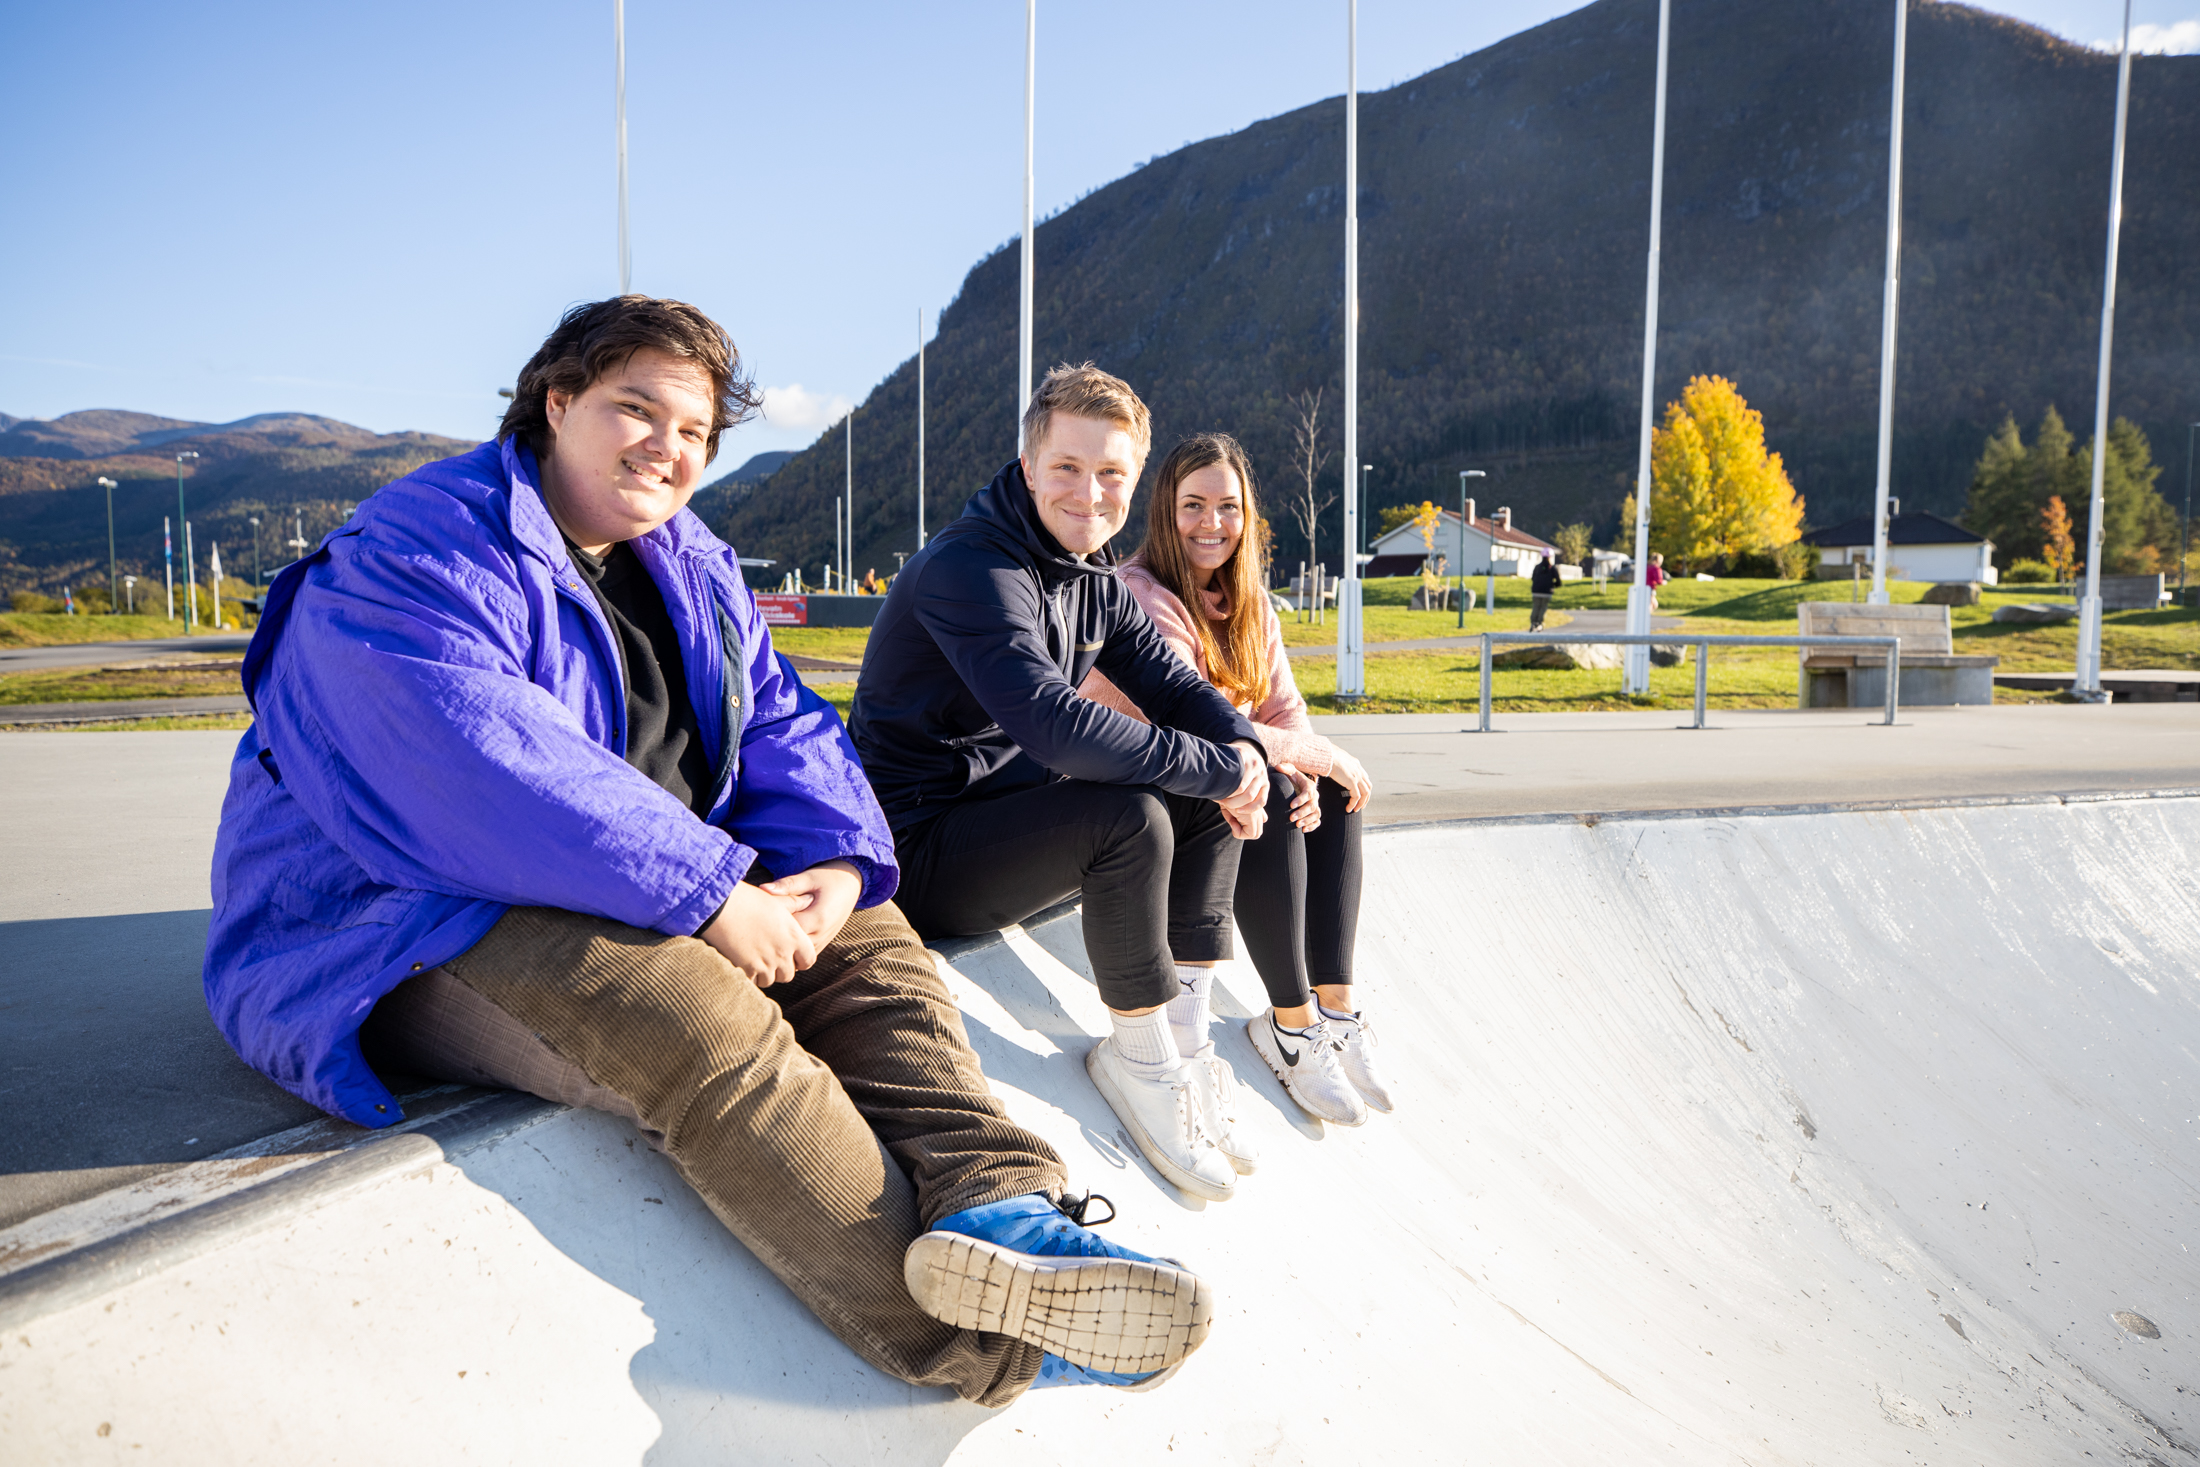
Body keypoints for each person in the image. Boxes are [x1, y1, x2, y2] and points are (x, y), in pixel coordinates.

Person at [202, 299, 1214, 1404]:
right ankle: (986, 1349)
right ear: (555, 403)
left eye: (694, 433)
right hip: (403, 917)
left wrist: (830, 862)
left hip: (645, 880)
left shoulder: (687, 560)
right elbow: (480, 764)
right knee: (704, 1027)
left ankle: (1003, 1208)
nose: (667, 448)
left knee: (876, 952)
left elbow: (783, 722)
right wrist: (711, 891)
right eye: (635, 409)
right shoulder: (422, 548)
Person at [852, 364, 1273, 1207]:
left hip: (996, 815)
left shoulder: (1086, 571)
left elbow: (1174, 685)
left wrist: (1245, 750)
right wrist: (1223, 764)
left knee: (1202, 792)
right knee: (1130, 816)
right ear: (1028, 463)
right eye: (1069, 469)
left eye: (1112, 473)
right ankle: (1138, 1053)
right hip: (918, 848)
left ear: (1135, 479)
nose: (1091, 493)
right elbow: (1056, 724)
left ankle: (1184, 1037)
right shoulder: (972, 567)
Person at [1080, 434, 1392, 1131]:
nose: (1211, 523)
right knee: (1274, 788)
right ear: (1166, 511)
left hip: (1218, 770)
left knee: (1332, 789)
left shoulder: (1252, 603)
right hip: (1145, 788)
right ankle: (1290, 1021)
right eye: (1193, 506)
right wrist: (1299, 763)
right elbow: (1201, 719)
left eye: (1227, 507)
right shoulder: (1144, 594)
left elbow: (1281, 710)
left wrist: (1312, 763)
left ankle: (1335, 1008)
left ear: (1248, 516)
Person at [1529, 550, 1561, 630]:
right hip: (1546, 592)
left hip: (1536, 591)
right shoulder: (1552, 568)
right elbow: (1558, 581)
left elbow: (1533, 578)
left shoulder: (1537, 567)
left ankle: (1533, 622)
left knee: (1536, 607)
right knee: (1543, 607)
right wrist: (1554, 585)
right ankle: (1539, 623)